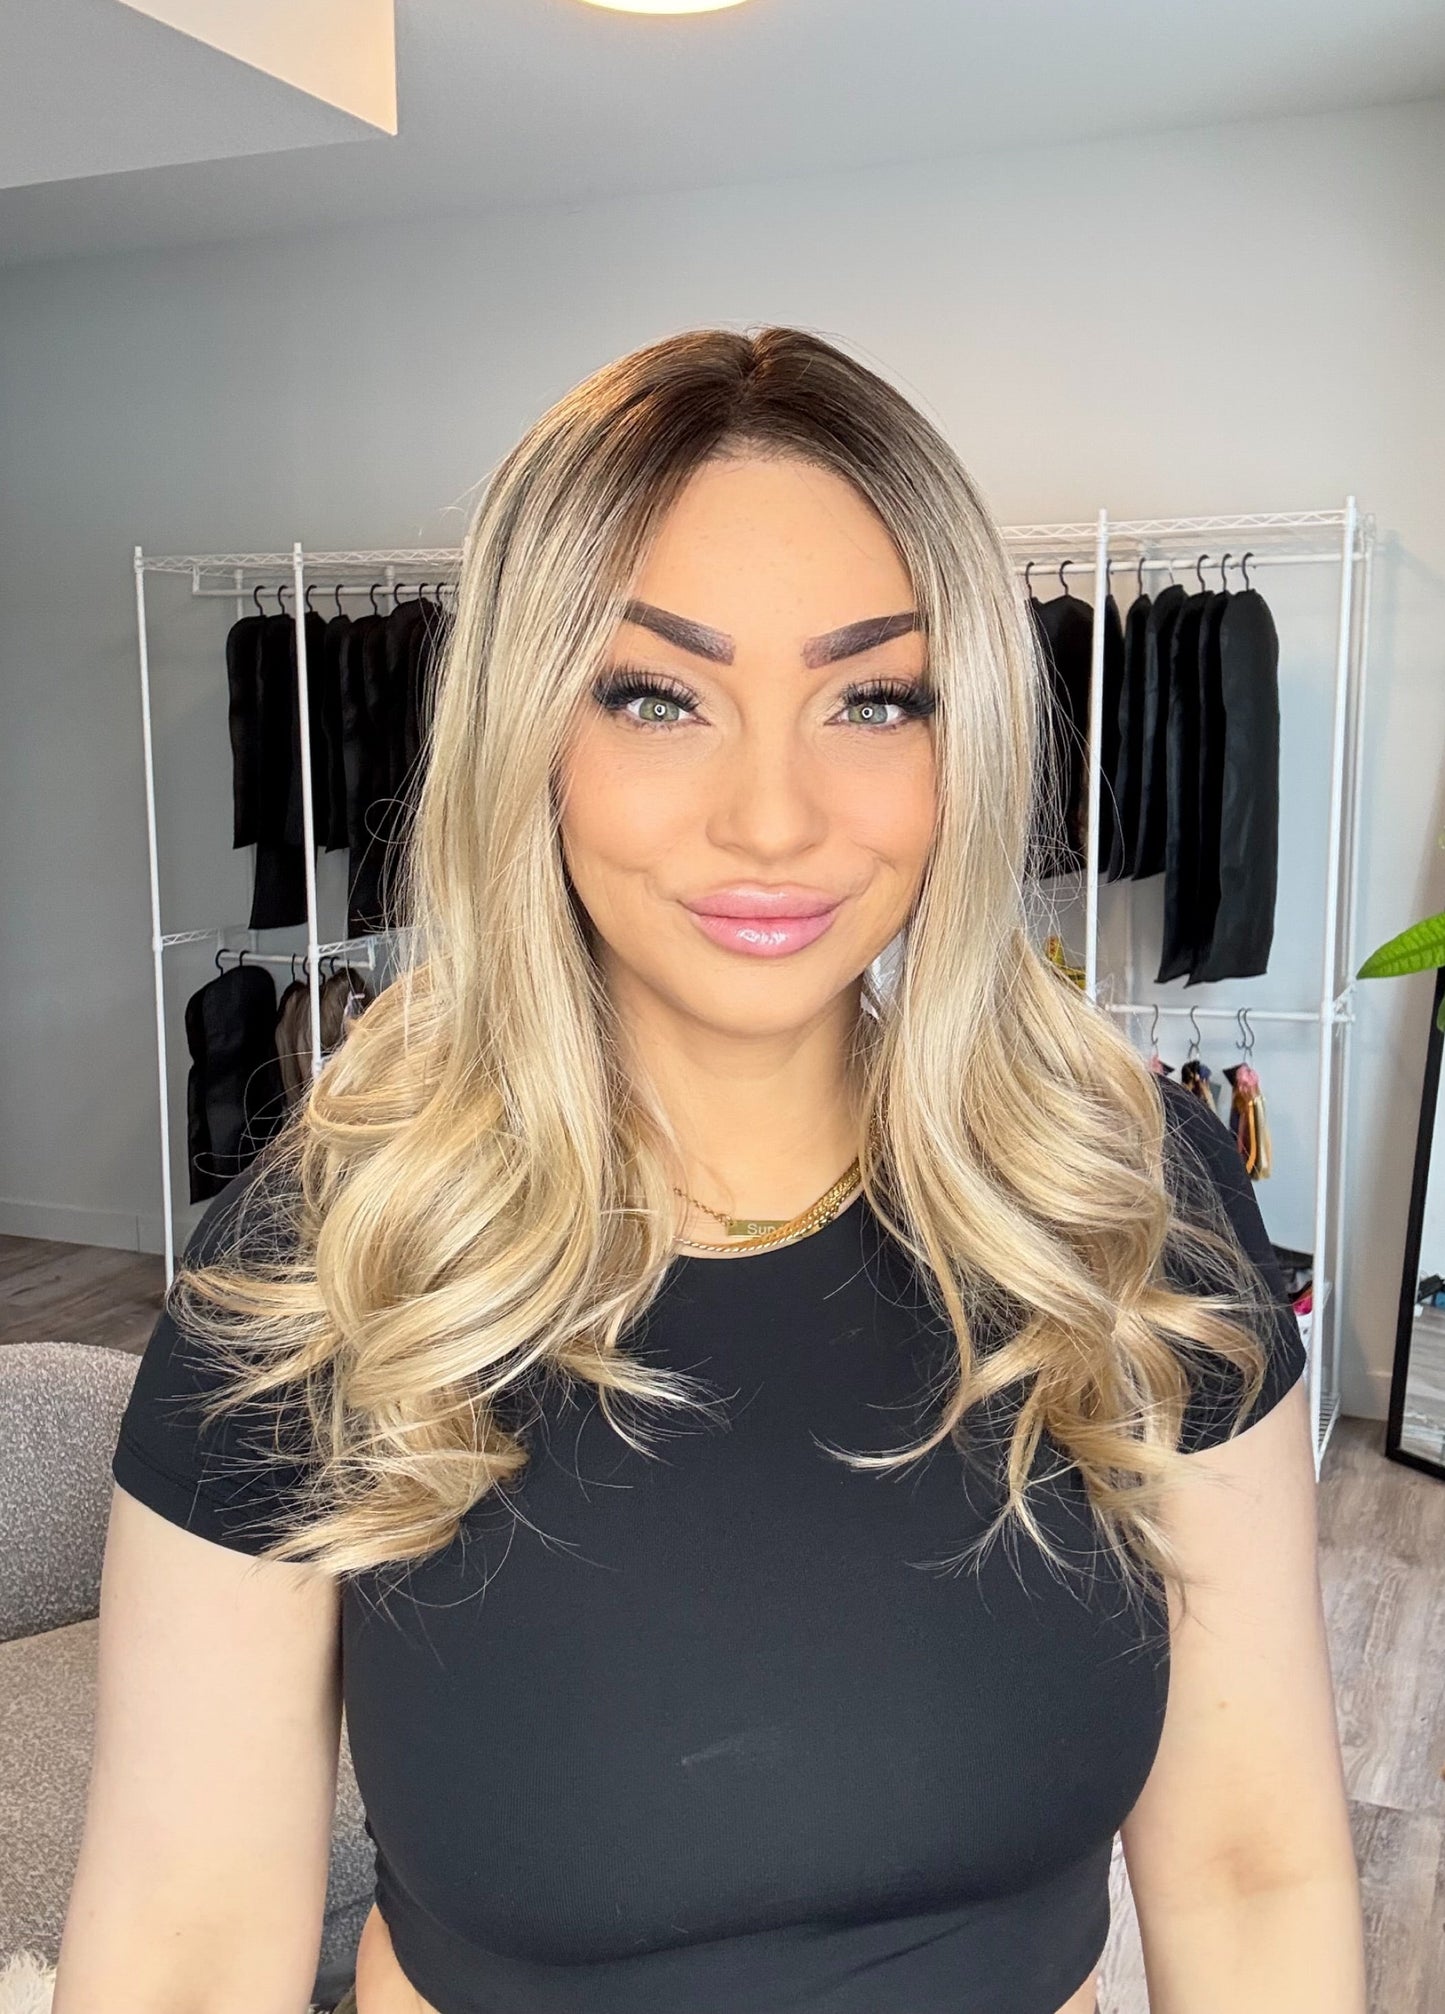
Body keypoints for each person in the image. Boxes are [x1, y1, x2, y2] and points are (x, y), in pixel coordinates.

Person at [59, 327, 1364, 2014]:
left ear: (960, 739)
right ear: (531, 725)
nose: (773, 815)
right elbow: (176, 1944)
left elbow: (1256, 1867)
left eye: (871, 696)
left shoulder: (1122, 1203)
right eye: (658, 693)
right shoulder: (326, 1266)